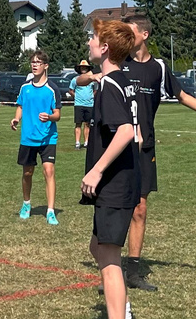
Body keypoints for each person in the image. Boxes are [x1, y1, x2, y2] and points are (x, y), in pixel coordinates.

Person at [76, 15, 196, 291]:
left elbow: (182, 96)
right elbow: (82, 81)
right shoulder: (117, 63)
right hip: (118, 146)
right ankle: (111, 267)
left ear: (145, 35)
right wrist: (91, 76)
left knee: (139, 208)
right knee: (110, 206)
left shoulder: (158, 68)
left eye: (130, 31)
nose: (125, 34)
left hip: (143, 146)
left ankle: (132, 271)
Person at [81, 20, 141, 319]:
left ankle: (120, 313)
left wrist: (97, 170)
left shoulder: (109, 85)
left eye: (93, 38)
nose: (88, 42)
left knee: (108, 258)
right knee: (98, 247)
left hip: (116, 183)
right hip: (121, 180)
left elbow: (126, 132)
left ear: (104, 48)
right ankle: (123, 309)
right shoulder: (121, 80)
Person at [12, 51, 62, 225]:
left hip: (48, 138)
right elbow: (20, 106)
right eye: (33, 62)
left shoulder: (52, 89)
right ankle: (26, 204)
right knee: (27, 173)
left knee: (49, 171)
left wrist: (49, 117)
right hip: (28, 138)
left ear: (46, 66)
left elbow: (57, 114)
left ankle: (50, 211)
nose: (34, 65)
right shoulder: (25, 88)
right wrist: (16, 119)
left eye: (38, 62)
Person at [72, 62, 95, 145]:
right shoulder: (75, 79)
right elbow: (71, 90)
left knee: (87, 124)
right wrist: (76, 97)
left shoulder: (92, 80)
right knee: (78, 123)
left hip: (90, 104)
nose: (84, 69)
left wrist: (91, 96)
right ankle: (77, 142)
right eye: (82, 67)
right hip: (79, 104)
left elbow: (95, 90)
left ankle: (86, 142)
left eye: (85, 67)